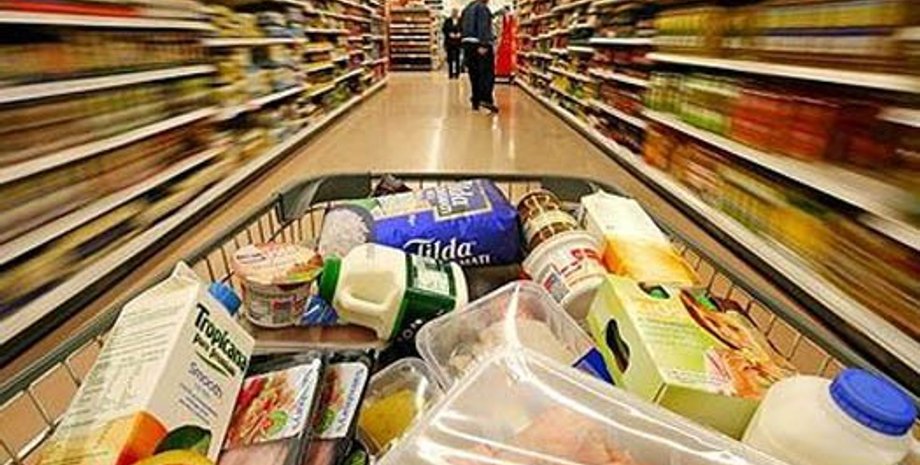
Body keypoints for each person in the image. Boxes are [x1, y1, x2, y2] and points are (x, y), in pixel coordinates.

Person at [460, 0, 498, 113]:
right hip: (479, 43)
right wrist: (484, 44)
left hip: (467, 44)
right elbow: (483, 26)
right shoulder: (482, 8)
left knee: (474, 74)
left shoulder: (466, 9)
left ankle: (475, 100)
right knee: (486, 73)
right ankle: (485, 99)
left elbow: (462, 27)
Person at [442, 9, 462, 79]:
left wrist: (460, 34)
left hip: (458, 42)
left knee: (457, 58)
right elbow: (444, 29)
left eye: (456, 12)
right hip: (449, 42)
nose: (455, 13)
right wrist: (449, 34)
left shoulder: (461, 21)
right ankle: (450, 74)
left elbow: (463, 28)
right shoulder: (447, 20)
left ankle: (457, 74)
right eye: (453, 12)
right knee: (450, 58)